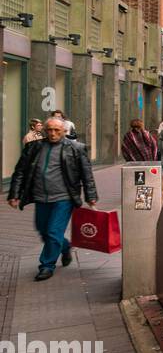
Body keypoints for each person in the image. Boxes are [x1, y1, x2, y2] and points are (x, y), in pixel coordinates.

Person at [7, 116, 98, 281]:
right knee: (43, 231)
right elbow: (20, 171)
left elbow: (87, 174)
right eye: (49, 130)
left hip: (64, 198)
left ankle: (46, 266)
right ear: (44, 130)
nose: (53, 133)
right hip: (41, 197)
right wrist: (14, 194)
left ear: (64, 131)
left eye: (57, 130)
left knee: (53, 231)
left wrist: (91, 196)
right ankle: (65, 246)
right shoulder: (33, 147)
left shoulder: (76, 148)